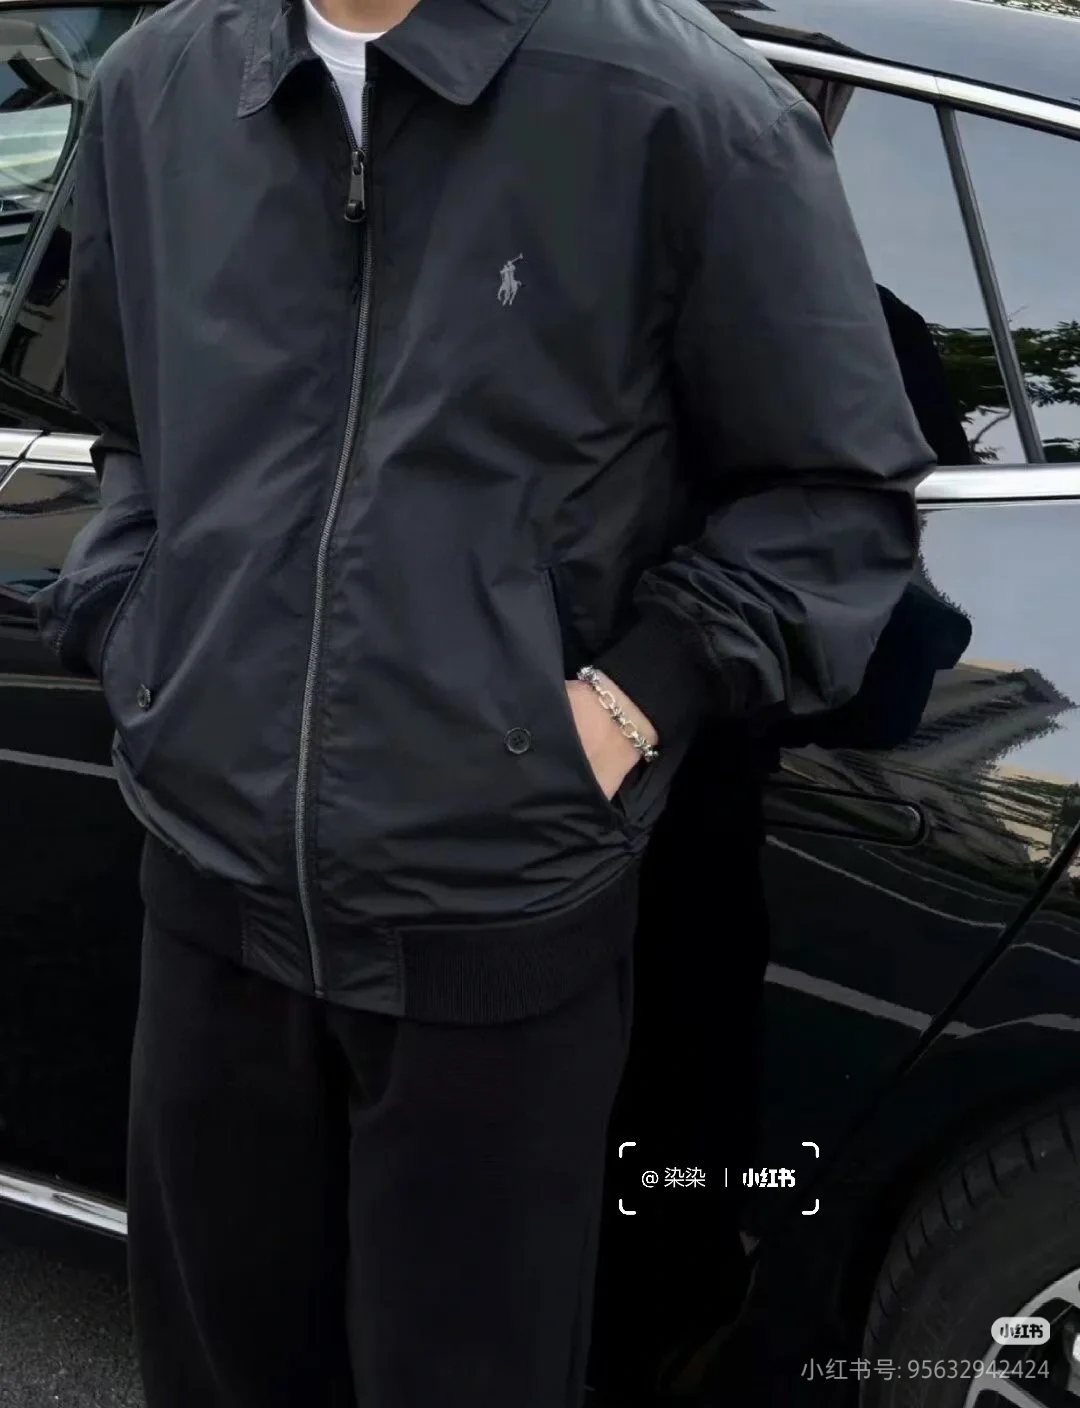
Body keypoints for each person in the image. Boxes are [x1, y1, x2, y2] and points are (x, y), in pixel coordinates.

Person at [31, 0, 934, 1402]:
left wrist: (622, 709)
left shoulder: (679, 103)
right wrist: (138, 625)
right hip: (204, 902)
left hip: (495, 930)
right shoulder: (157, 83)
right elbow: (127, 417)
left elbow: (833, 497)